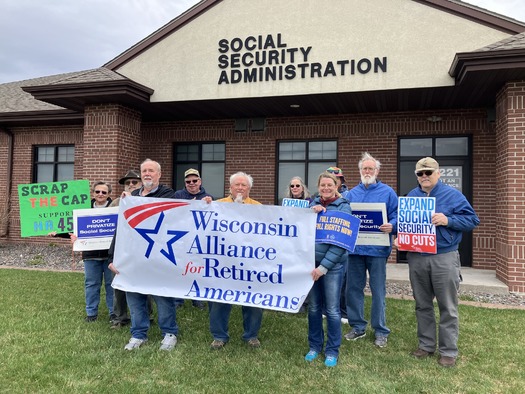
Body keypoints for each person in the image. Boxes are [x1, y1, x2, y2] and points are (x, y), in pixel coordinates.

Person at [405, 157, 479, 367]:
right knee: (422, 304)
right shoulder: (412, 196)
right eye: (421, 173)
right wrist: (403, 237)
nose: (425, 176)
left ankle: (448, 351)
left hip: (444, 257)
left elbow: (473, 220)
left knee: (448, 306)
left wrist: (448, 220)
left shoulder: (453, 195)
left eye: (429, 172)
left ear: (438, 173)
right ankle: (426, 345)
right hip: (417, 256)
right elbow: (407, 223)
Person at [108, 159, 179, 351]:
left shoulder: (168, 194)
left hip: (159, 258)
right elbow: (121, 229)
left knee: (162, 295)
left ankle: (169, 333)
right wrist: (113, 257)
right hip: (133, 259)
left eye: (151, 171)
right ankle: (138, 334)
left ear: (159, 174)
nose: (147, 174)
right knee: (135, 295)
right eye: (144, 171)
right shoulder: (131, 198)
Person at [342, 152, 398, 348]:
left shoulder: (388, 192)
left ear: (377, 171)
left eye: (370, 168)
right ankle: (357, 326)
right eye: (364, 168)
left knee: (378, 291)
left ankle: (380, 330)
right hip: (355, 251)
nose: (367, 171)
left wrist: (393, 225)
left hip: (377, 250)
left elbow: (396, 215)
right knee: (353, 290)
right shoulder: (350, 194)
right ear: (359, 171)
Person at [208, 172, 263, 349]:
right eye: (236, 185)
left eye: (244, 185)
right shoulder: (217, 205)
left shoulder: (259, 208)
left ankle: (251, 335)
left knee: (253, 299)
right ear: (230, 187)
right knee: (219, 299)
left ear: (249, 188)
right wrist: (204, 206)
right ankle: (219, 335)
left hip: (249, 262)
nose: (240, 188)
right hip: (223, 263)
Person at [305, 172, 351, 368]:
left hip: (331, 267)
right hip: (311, 265)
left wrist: (323, 267)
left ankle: (332, 350)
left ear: (336, 186)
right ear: (318, 186)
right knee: (314, 308)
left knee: (332, 310)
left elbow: (341, 244)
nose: (325, 188)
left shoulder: (344, 207)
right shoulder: (312, 205)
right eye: (322, 185)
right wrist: (310, 213)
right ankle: (315, 346)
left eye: (329, 185)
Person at [108, 169, 154, 329]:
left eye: (134, 182)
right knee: (119, 284)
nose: (131, 185)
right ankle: (120, 318)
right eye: (128, 183)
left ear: (140, 184)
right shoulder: (115, 203)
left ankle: (147, 315)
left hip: (141, 248)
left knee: (143, 283)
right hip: (121, 249)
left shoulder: (147, 202)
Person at [173, 168, 213, 309]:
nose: (191, 183)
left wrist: (208, 204)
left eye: (194, 180)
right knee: (180, 269)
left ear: (200, 181)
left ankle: (197, 298)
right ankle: (178, 300)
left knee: (196, 269)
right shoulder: (178, 195)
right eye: (188, 181)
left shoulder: (208, 197)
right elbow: (174, 214)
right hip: (181, 238)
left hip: (199, 240)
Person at [81, 181, 114, 322]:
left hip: (110, 256)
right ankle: (91, 314)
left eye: (104, 192)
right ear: (93, 193)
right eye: (98, 191)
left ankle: (114, 313)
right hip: (91, 255)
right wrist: (58, 234)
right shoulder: (83, 209)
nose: (100, 194)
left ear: (109, 194)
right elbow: (74, 228)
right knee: (91, 285)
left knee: (112, 286)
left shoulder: (116, 208)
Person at [283, 176, 312, 313]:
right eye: (292, 186)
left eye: (297, 186)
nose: (294, 188)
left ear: (303, 188)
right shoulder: (285, 204)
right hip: (290, 243)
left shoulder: (310, 203)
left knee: (304, 272)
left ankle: (304, 302)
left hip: (305, 243)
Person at [326, 166, 348, 321]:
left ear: (340, 181)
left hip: (340, 246)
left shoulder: (347, 197)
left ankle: (343, 311)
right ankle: (323, 309)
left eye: (336, 178)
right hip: (323, 246)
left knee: (343, 282)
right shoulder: (317, 198)